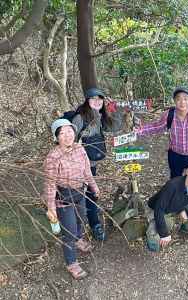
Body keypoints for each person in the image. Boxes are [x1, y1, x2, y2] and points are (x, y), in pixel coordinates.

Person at [44, 119, 100, 279]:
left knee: (81, 219)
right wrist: (51, 208)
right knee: (68, 231)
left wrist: (94, 187)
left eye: (70, 131)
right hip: (64, 197)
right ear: (57, 137)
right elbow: (50, 184)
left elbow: (87, 171)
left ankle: (78, 239)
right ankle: (71, 263)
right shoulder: (53, 157)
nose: (67, 135)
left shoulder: (80, 149)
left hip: (80, 193)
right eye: (62, 133)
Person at [71, 87, 123, 241]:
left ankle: (94, 224)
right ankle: (81, 227)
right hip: (78, 165)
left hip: (91, 164)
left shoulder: (100, 116)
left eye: (100, 99)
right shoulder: (80, 118)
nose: (97, 102)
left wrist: (115, 109)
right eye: (94, 99)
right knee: (79, 194)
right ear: (87, 101)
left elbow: (114, 127)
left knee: (90, 193)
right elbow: (69, 139)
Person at [135, 87, 188, 189]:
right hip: (176, 154)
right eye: (179, 99)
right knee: (175, 179)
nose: (182, 102)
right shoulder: (169, 115)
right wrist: (140, 131)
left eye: (185, 99)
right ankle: (177, 199)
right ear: (175, 101)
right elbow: (156, 127)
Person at [146, 160, 188, 252]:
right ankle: (152, 236)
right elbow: (159, 209)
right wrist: (164, 234)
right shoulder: (172, 185)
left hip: (178, 207)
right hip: (159, 209)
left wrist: (187, 213)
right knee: (156, 235)